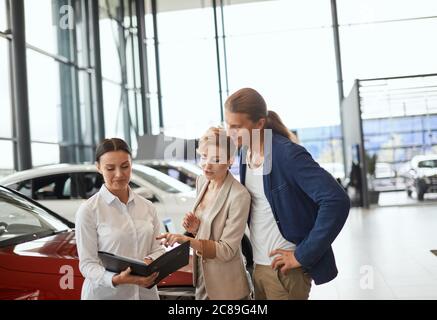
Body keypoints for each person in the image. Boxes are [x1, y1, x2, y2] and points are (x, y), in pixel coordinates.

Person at [224, 88, 350, 300]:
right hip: (259, 267)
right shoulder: (246, 151)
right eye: (228, 124)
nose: (230, 132)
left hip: (285, 272)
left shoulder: (287, 154)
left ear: (260, 124)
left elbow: (336, 200)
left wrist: (302, 255)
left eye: (237, 127)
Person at [157, 128, 252, 300]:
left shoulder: (239, 195)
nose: (207, 165)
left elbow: (227, 250)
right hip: (202, 279)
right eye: (203, 156)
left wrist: (187, 239)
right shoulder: (203, 181)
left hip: (227, 288)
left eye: (216, 159)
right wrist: (196, 229)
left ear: (230, 160)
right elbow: (209, 233)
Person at [75, 138, 165, 300]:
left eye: (125, 166)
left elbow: (158, 249)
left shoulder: (147, 207)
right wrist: (115, 279)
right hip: (106, 295)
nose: (119, 174)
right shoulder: (89, 210)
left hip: (146, 294)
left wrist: (150, 260)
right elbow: (87, 264)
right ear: (98, 167)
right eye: (110, 168)